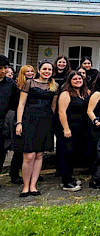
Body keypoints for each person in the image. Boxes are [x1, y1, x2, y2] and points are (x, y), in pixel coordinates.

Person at [15, 60, 59, 197]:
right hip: (29, 120)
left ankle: (33, 185)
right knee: (28, 155)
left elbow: (53, 107)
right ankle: (25, 186)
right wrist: (19, 122)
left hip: (45, 121)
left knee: (39, 154)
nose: (47, 71)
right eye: (44, 69)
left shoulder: (55, 86)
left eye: (49, 70)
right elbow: (21, 104)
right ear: (39, 70)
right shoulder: (30, 83)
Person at [57, 71, 89, 191]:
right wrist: (66, 128)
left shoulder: (82, 93)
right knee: (66, 154)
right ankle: (66, 181)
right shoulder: (66, 93)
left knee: (73, 154)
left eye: (79, 79)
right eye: (74, 79)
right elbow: (61, 112)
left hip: (79, 128)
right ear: (70, 81)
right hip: (68, 128)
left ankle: (69, 177)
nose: (77, 81)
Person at [0, 55, 20, 186]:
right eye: (0, 68)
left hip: (3, 124)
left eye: (5, 68)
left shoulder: (10, 84)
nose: (2, 71)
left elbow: (16, 103)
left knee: (1, 151)